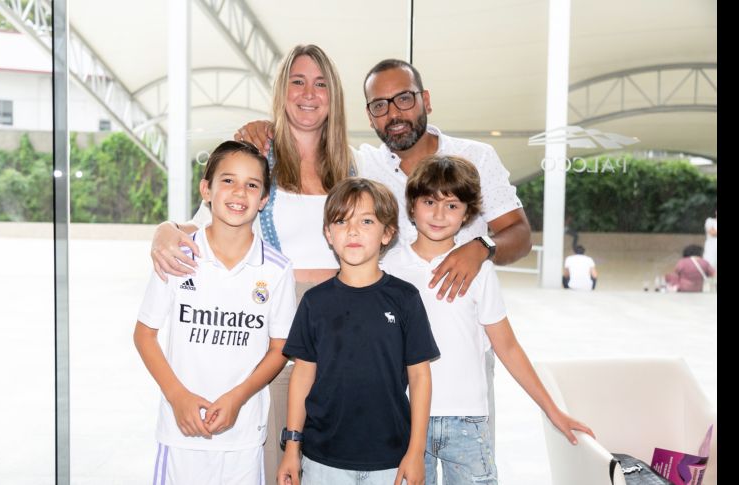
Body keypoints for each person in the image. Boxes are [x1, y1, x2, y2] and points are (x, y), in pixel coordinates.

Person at [233, 58, 534, 451]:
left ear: (426, 99)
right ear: (369, 116)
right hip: (389, 353)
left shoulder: (475, 157)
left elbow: (520, 235)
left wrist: (480, 248)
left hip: (464, 355)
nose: (394, 113)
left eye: (404, 99)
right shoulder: (364, 165)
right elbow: (305, 145)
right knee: (398, 465)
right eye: (380, 105)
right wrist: (266, 128)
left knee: (470, 466)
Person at [150, 44, 354, 479]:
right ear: (281, 91)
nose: (308, 93)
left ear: (333, 95)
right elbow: (201, 223)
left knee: (336, 460)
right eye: (297, 81)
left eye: (320, 84)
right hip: (274, 324)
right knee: (275, 458)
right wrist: (165, 228)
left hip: (340, 322)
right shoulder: (258, 157)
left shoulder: (352, 165)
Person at [381, 155, 594, 484]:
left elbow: (507, 347)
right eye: (429, 202)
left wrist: (553, 411)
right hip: (404, 418)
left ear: (467, 214)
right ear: (411, 206)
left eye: (452, 205)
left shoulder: (479, 270)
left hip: (467, 421)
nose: (439, 214)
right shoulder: (388, 268)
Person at [133, 141, 297, 484]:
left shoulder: (278, 270)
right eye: (228, 180)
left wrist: (238, 397)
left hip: (243, 436)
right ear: (206, 189)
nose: (239, 192)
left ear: (264, 199)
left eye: (252, 184)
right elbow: (144, 334)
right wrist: (177, 396)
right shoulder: (177, 256)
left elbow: (280, 347)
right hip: (180, 433)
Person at [277, 178, 440, 485]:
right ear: (328, 233)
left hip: (391, 460)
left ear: (387, 233)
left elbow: (420, 377)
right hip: (322, 460)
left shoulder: (405, 299)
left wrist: (416, 452)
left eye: (366, 221)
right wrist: (292, 448)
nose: (352, 231)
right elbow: (302, 375)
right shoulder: (314, 302)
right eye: (341, 221)